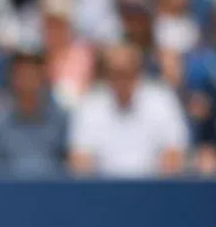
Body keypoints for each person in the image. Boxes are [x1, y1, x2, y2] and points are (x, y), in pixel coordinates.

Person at [68, 42, 188, 177]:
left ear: (139, 73)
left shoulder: (162, 99)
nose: (121, 80)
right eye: (115, 74)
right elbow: (80, 159)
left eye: (127, 73)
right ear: (107, 75)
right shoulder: (91, 103)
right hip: (103, 192)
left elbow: (174, 154)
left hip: (153, 190)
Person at [0, 51, 67, 178]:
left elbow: (69, 165)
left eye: (33, 71)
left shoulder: (61, 118)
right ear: (11, 77)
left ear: (44, 75)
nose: (27, 77)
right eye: (21, 72)